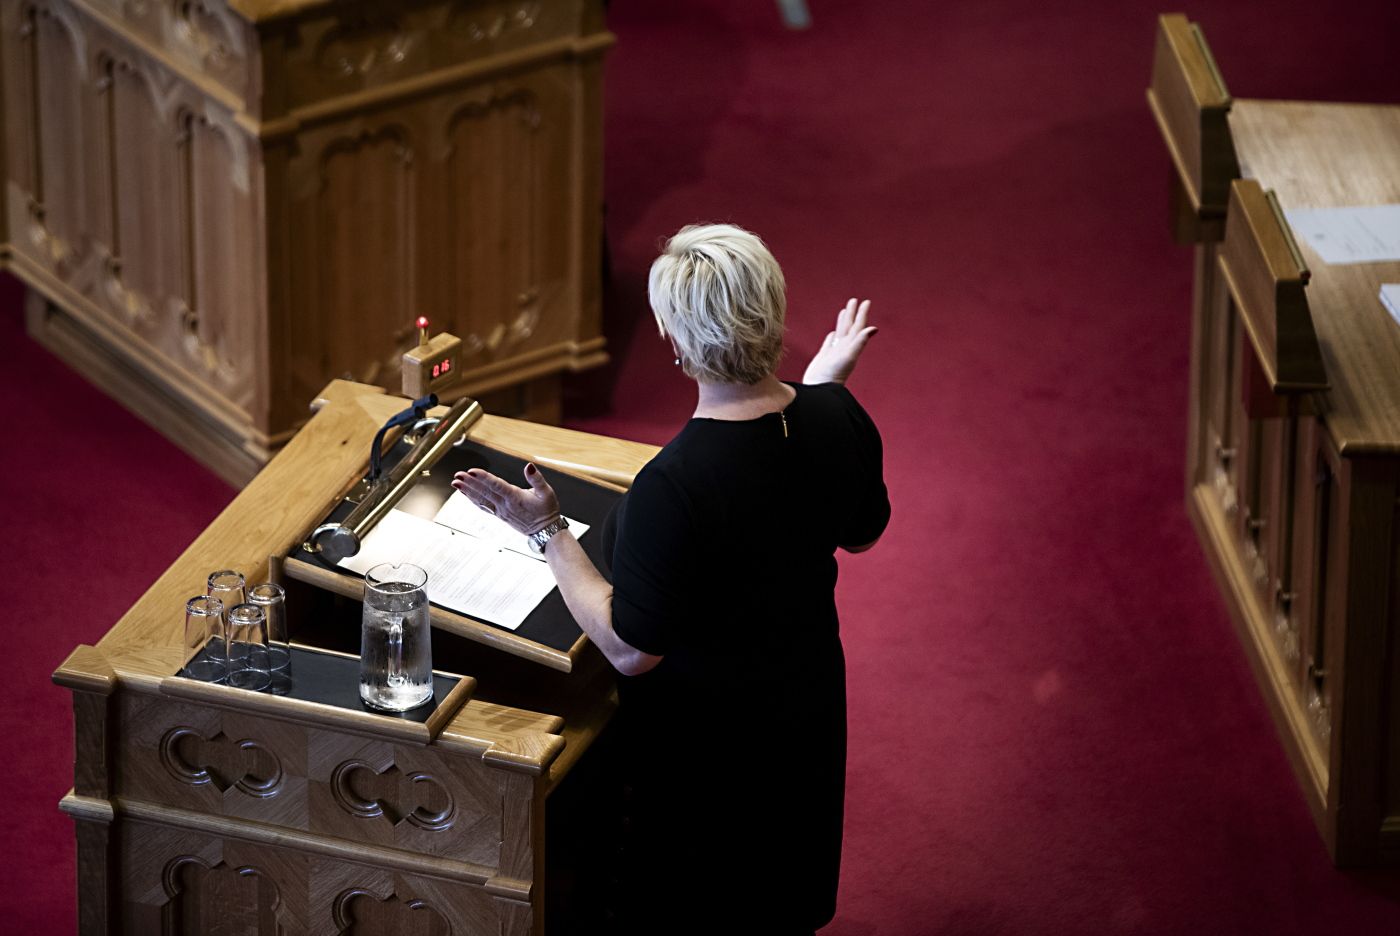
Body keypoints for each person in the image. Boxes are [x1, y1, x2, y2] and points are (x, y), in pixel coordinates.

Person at [453, 223, 890, 934]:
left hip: (710, 744)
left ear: (676, 340)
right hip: (806, 704)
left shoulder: (674, 483)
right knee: (782, 888)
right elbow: (860, 532)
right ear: (773, 311)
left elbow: (631, 648)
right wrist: (823, 390)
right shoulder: (836, 415)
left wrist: (546, 529)